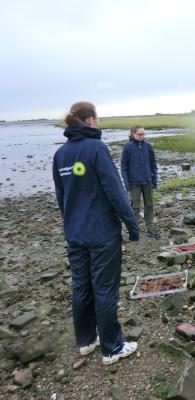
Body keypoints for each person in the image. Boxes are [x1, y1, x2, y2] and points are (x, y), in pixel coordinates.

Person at [53, 101, 140, 365]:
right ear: (90, 120)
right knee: (104, 289)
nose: (99, 122)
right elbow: (115, 191)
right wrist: (132, 225)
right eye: (98, 119)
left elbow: (61, 198)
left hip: (75, 234)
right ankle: (112, 348)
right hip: (101, 234)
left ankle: (86, 341)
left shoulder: (60, 155)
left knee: (81, 287)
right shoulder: (96, 148)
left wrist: (71, 224)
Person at [121, 125, 158, 235]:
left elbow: (153, 164)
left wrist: (154, 180)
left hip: (148, 181)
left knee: (149, 205)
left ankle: (150, 229)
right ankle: (134, 230)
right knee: (135, 208)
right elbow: (123, 167)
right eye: (139, 134)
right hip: (134, 184)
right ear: (133, 134)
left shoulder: (148, 146)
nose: (142, 136)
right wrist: (127, 184)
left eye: (143, 134)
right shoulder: (127, 148)